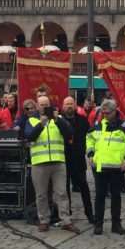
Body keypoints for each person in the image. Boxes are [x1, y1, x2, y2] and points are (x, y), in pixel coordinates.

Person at [23, 95, 79, 233]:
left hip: (58, 161)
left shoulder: (59, 120)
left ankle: (66, 220)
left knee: (62, 193)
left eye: (46, 105)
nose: (44, 107)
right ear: (37, 106)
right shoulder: (31, 120)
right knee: (41, 194)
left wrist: (56, 120)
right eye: (41, 105)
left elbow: (68, 134)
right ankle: (43, 220)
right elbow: (29, 136)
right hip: (39, 162)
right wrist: (41, 125)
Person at [86, 99, 125, 235]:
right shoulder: (98, 124)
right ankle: (98, 224)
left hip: (116, 168)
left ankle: (116, 224)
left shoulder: (124, 125)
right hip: (100, 167)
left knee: (116, 196)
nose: (105, 116)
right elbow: (89, 137)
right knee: (99, 196)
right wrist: (90, 153)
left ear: (115, 111)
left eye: (108, 113)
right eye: (103, 113)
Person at [61, 96, 93, 223]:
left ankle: (90, 213)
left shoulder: (83, 120)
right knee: (65, 188)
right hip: (63, 159)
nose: (69, 106)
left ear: (75, 106)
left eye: (71, 103)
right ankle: (67, 214)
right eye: (67, 104)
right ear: (63, 107)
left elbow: (89, 137)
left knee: (83, 186)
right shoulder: (59, 120)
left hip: (79, 158)